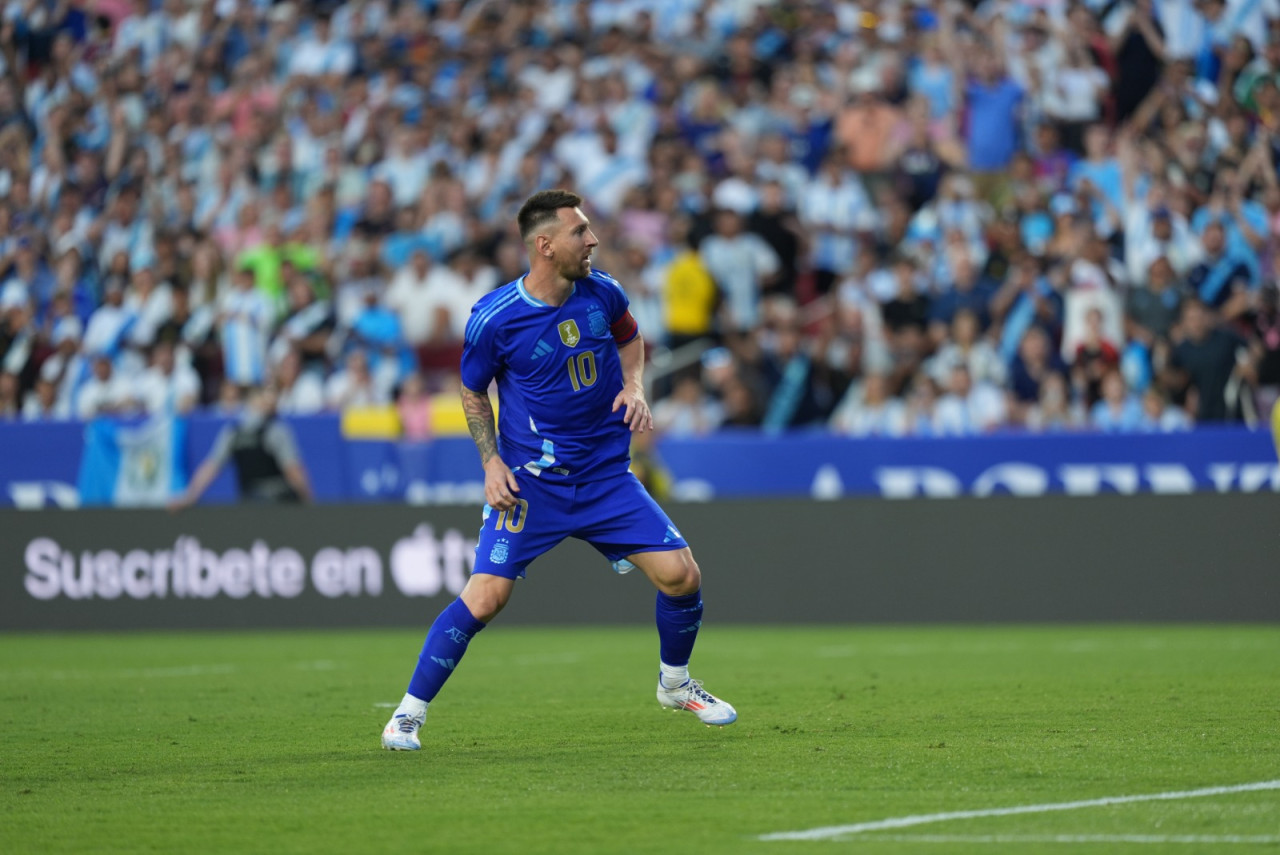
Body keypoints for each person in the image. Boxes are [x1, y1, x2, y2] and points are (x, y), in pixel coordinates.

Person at [381, 190, 736, 752]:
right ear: (545, 246)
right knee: (485, 598)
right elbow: (472, 391)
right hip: (531, 486)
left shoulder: (603, 292)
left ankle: (676, 684)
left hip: (604, 477)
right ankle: (407, 714)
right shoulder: (494, 319)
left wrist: (634, 385)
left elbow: (630, 338)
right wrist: (491, 462)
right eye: (581, 232)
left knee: (682, 575)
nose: (592, 240)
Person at [167, 384, 313, 509]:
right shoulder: (276, 430)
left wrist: (190, 497)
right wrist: (308, 500)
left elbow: (211, 467)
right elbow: (293, 471)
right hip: (279, 505)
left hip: (249, 504)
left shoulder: (234, 432)